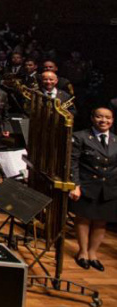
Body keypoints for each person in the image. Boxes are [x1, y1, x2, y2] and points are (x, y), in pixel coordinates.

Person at [69, 107, 116, 272]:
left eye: (108, 118)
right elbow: (72, 163)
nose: (104, 121)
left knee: (101, 221)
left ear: (113, 120)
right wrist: (75, 185)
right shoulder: (80, 137)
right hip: (87, 185)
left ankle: (93, 254)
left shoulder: (116, 140)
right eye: (99, 117)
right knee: (84, 219)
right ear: (92, 118)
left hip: (109, 187)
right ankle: (82, 252)